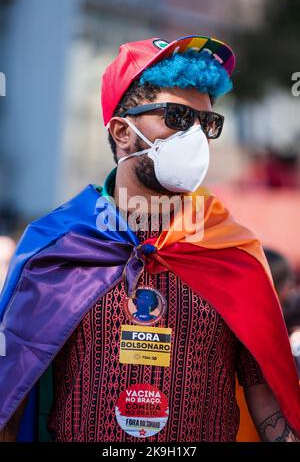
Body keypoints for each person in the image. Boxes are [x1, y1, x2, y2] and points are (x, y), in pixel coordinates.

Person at [0, 35, 300, 442]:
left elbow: (270, 405)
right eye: (177, 118)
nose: (195, 137)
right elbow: (10, 397)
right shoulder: (57, 247)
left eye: (207, 123)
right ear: (122, 131)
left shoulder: (233, 254)